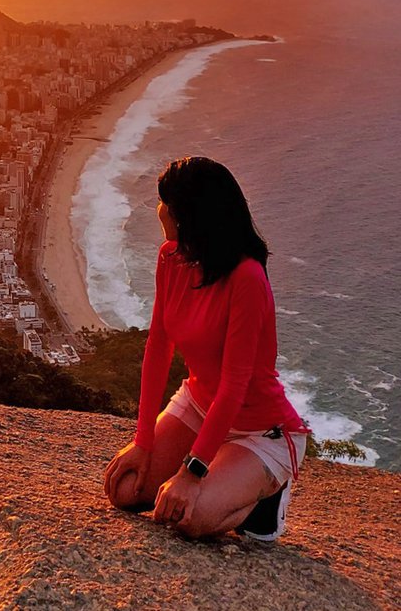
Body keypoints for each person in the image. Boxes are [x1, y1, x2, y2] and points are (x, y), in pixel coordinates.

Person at [103, 156, 308, 541]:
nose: (159, 210)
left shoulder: (247, 278)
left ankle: (266, 498)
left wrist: (191, 471)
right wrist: (142, 442)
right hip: (199, 406)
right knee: (125, 489)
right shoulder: (171, 258)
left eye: (166, 204)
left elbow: (234, 385)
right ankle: (224, 474)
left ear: (189, 216)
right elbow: (158, 347)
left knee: (190, 517)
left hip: (259, 430)